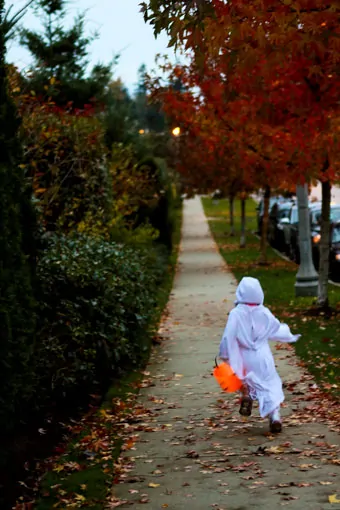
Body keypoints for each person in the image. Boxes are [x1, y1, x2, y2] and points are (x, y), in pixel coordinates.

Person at [219, 277, 300, 433]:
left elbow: (228, 336)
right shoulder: (264, 313)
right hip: (263, 356)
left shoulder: (236, 314)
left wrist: (225, 354)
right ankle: (275, 416)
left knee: (246, 380)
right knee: (270, 385)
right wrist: (290, 336)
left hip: (243, 357)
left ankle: (246, 395)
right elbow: (275, 329)